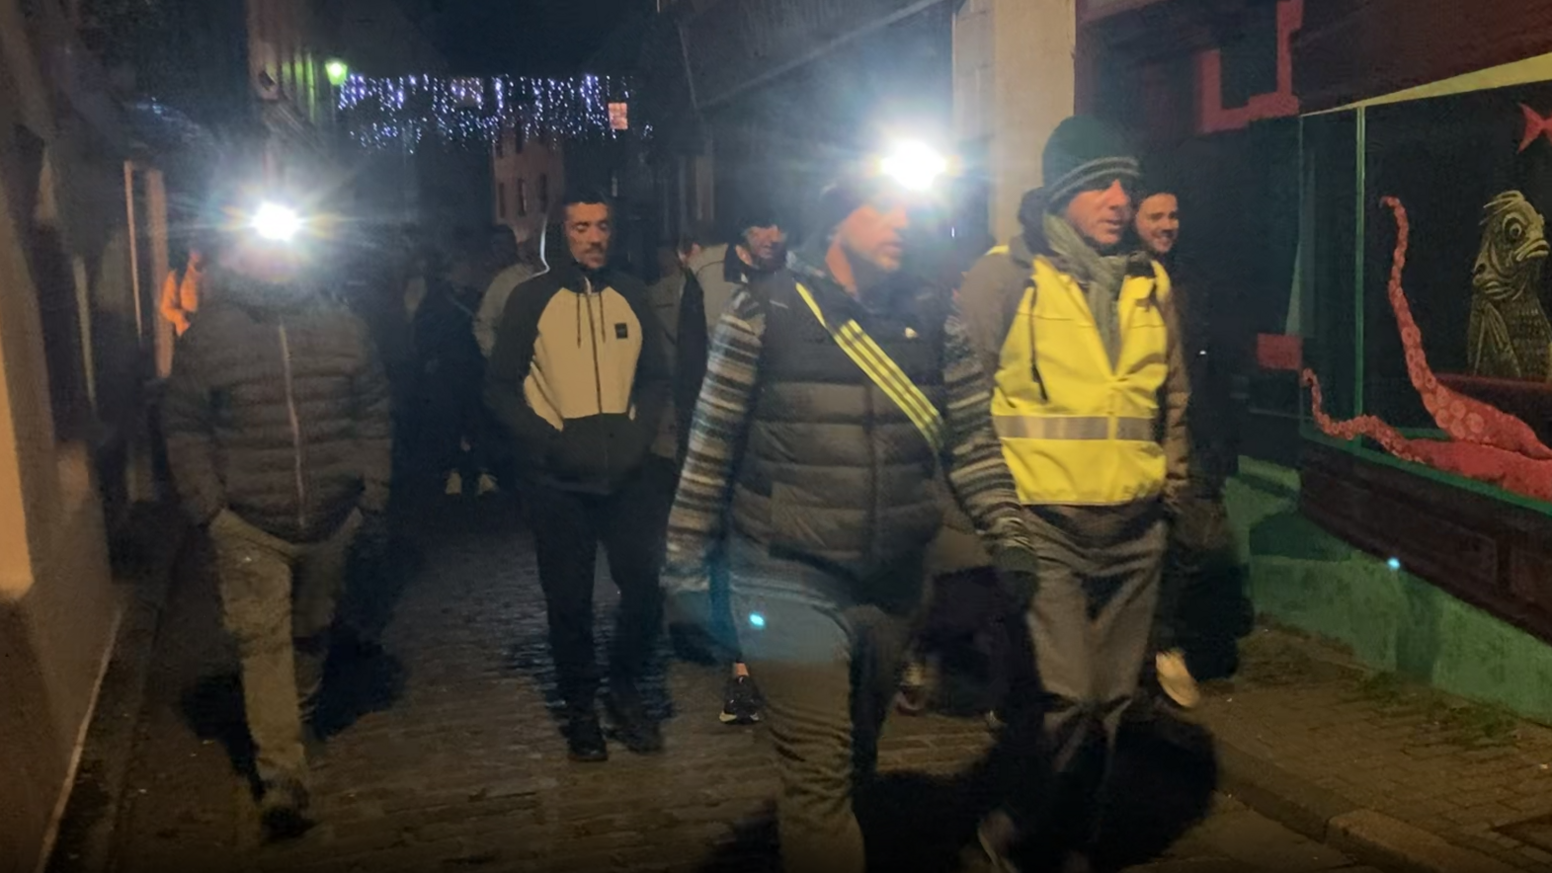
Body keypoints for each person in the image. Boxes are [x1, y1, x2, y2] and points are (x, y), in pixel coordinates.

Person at [662, 162, 1038, 873]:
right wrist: (684, 568)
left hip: (893, 583)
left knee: (857, 760)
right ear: (835, 217)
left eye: (909, 208)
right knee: (819, 772)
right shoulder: (763, 312)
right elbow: (709, 449)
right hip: (785, 576)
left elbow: (973, 445)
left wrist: (1009, 536)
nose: (902, 222)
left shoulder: (935, 316)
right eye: (882, 207)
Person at [957, 116, 1191, 872]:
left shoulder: (1151, 282)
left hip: (1135, 528)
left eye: (1126, 183)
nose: (1119, 198)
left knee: (1118, 703)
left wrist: (1172, 488)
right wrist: (988, 522)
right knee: (1070, 696)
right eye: (1099, 184)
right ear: (1062, 193)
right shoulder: (1005, 277)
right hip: (1042, 525)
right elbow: (963, 401)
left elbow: (1173, 401)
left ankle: (1078, 837)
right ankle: (1018, 825)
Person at [162, 198, 392, 841]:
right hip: (248, 524)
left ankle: (299, 718)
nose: (276, 257)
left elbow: (373, 408)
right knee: (262, 644)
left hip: (330, 515)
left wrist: (371, 489)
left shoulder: (344, 327)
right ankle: (282, 776)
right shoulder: (210, 336)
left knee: (312, 632)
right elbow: (184, 426)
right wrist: (209, 506)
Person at [484, 190, 671, 763]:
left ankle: (624, 687)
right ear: (558, 235)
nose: (594, 237)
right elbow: (499, 386)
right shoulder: (530, 299)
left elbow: (657, 376)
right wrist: (549, 442)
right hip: (556, 481)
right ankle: (582, 709)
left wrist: (639, 437)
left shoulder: (633, 294)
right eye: (581, 227)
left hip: (627, 474)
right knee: (568, 602)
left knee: (645, 588)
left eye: (603, 226)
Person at [656, 214, 789, 726]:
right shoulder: (707, 276)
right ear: (742, 233)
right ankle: (742, 671)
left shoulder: (803, 275)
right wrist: (694, 443)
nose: (773, 235)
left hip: (781, 440)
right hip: (729, 437)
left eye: (780, 226)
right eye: (761, 225)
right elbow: (690, 366)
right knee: (737, 559)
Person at [1134, 183, 1245, 710]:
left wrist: (1221, 436)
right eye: (1155, 214)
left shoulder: (1194, 280)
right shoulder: (1123, 280)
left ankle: (1163, 641)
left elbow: (1213, 366)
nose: (1167, 224)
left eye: (1173, 214)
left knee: (1196, 541)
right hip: (1135, 435)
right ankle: (1145, 646)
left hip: (1192, 433)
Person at [475, 226, 539, 359]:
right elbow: (484, 322)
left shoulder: (565, 279)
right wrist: (499, 359)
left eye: (506, 243)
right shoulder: (505, 280)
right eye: (497, 244)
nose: (502, 249)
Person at [159, 244, 206, 336]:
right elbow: (166, 308)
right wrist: (182, 316)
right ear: (189, 250)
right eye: (195, 248)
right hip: (190, 335)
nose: (198, 252)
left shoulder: (216, 275)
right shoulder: (177, 276)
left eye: (201, 246)